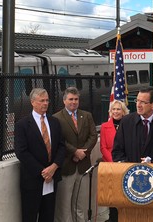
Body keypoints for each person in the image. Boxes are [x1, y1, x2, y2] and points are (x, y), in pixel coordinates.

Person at [14, 88, 65, 222]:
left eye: (47, 100)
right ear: (33, 102)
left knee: (48, 216)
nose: (45, 103)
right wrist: (43, 172)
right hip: (33, 180)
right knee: (30, 216)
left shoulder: (54, 122)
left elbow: (61, 146)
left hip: (52, 178)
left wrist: (53, 167)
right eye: (42, 100)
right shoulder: (22, 125)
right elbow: (21, 151)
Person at [53, 87, 97, 222]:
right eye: (71, 99)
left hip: (83, 166)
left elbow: (93, 136)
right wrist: (74, 151)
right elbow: (59, 140)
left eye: (76, 99)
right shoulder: (57, 118)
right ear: (64, 100)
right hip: (67, 166)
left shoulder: (87, 115)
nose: (73, 102)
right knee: (64, 205)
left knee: (80, 204)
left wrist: (83, 152)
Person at [112, 86, 153, 163]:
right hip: (130, 172)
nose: (138, 105)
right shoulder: (126, 122)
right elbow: (117, 152)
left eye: (143, 102)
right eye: (137, 101)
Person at [99, 99, 129, 222]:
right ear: (110, 112)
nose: (116, 112)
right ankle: (113, 218)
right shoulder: (104, 126)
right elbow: (103, 147)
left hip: (126, 164)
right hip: (110, 166)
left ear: (123, 111)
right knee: (112, 194)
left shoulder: (128, 125)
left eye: (118, 109)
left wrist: (122, 162)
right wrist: (114, 162)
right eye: (114, 109)